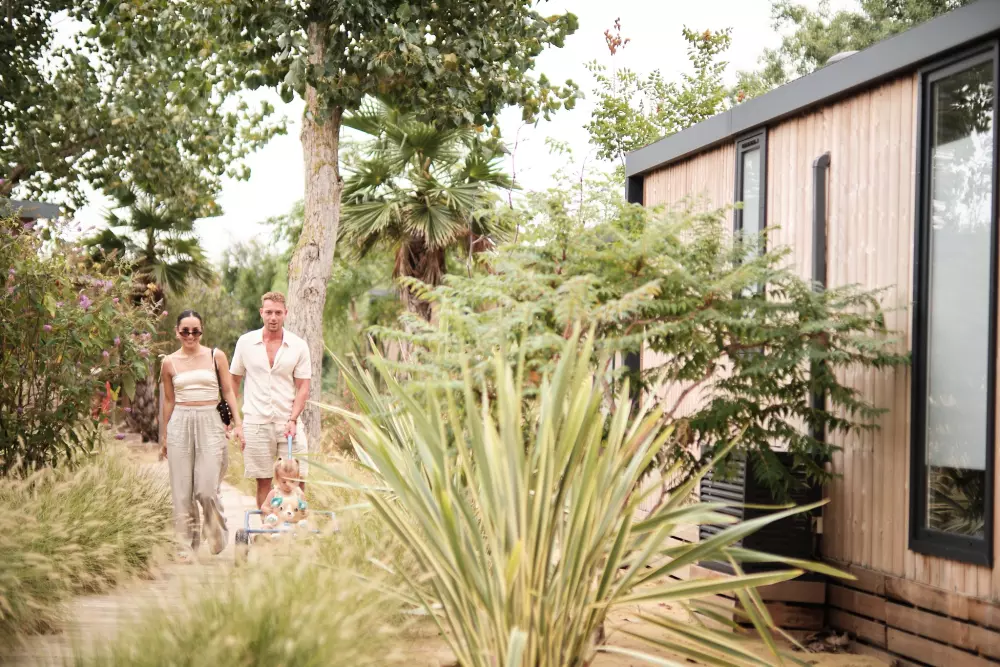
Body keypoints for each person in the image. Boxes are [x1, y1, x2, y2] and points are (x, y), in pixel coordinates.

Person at [159, 310, 244, 560]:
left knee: (206, 489)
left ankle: (216, 533)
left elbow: (228, 392)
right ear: (177, 332)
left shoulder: (216, 356)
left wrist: (238, 423)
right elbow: (169, 401)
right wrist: (164, 435)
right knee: (181, 490)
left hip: (210, 421)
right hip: (180, 423)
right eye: (185, 331)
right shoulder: (168, 363)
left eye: (195, 331)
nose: (190, 335)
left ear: (201, 331)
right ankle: (185, 546)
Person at [229, 291, 311, 511]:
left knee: (298, 478)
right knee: (264, 481)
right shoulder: (245, 343)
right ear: (261, 313)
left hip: (288, 423)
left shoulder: (298, 345)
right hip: (256, 423)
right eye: (268, 312)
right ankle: (268, 525)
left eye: (277, 313)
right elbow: (233, 382)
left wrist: (293, 419)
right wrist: (236, 422)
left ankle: (294, 525)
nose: (273, 317)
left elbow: (303, 386)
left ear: (285, 313)